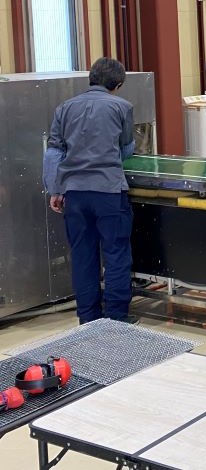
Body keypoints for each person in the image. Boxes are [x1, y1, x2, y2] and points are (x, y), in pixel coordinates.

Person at [43, 57, 136, 324]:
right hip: (109, 192)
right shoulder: (122, 107)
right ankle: (116, 318)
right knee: (116, 253)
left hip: (74, 194)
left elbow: (54, 152)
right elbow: (126, 147)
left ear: (91, 78)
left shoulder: (64, 108)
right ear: (118, 85)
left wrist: (55, 189)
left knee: (83, 255)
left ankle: (88, 320)